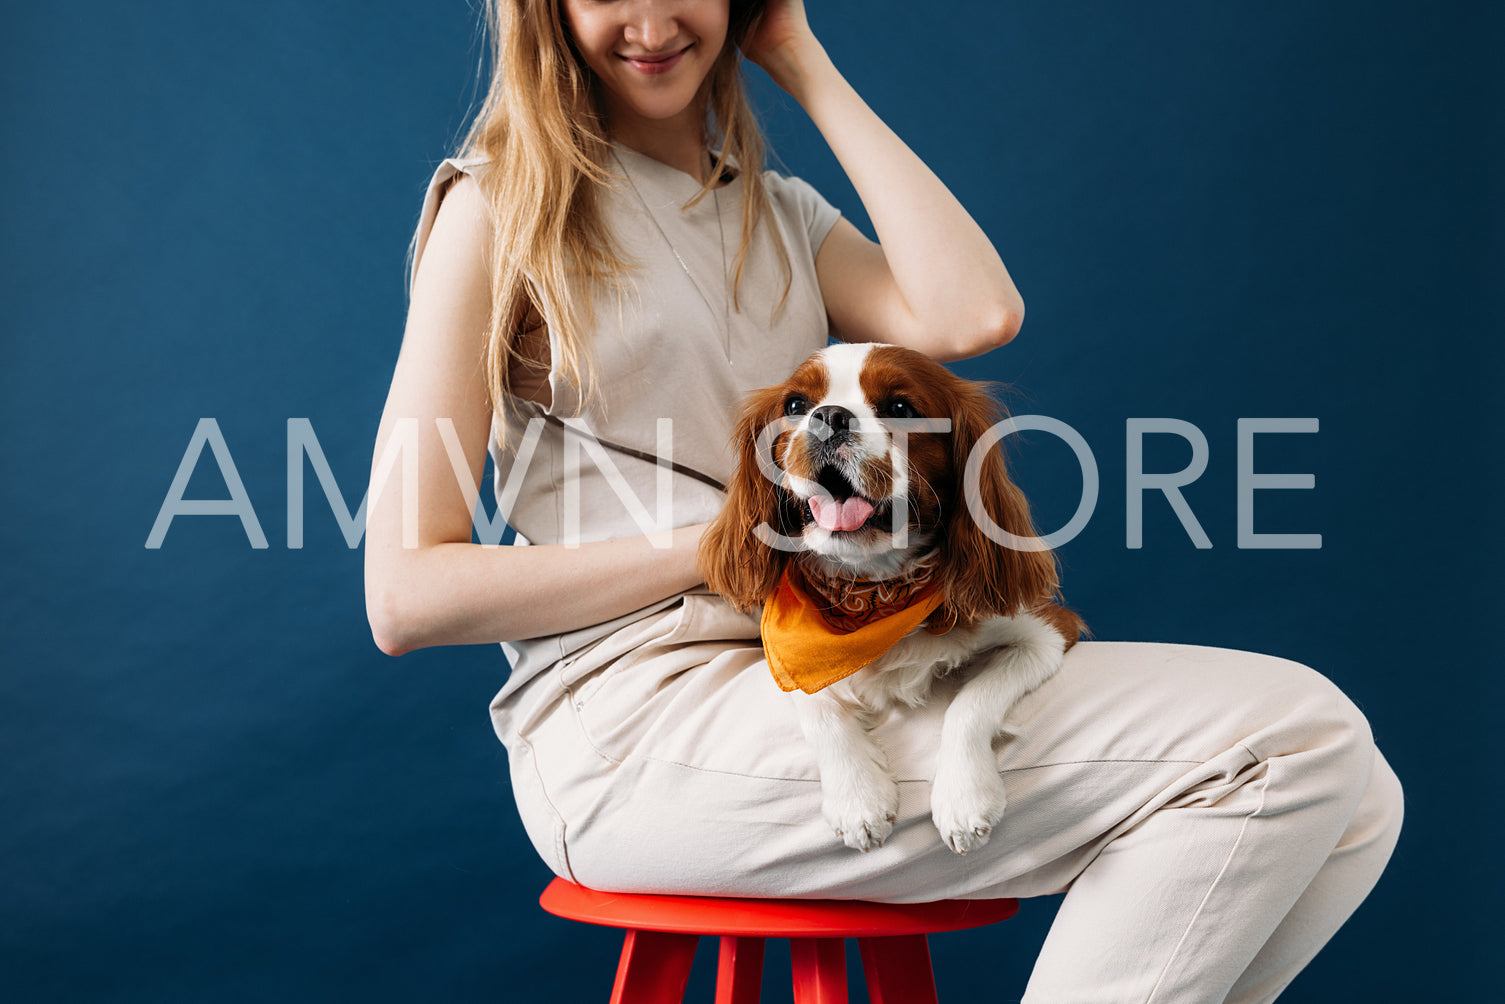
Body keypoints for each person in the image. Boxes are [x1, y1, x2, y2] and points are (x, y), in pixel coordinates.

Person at [364, 1, 1402, 1000]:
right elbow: (404, 595)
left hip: (840, 671)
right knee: (1296, 738)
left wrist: (797, 56)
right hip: (643, 723)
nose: (650, 21)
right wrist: (733, 543)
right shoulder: (498, 207)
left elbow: (976, 310)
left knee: (1356, 800)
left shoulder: (773, 214)